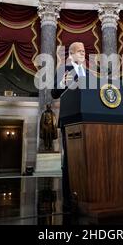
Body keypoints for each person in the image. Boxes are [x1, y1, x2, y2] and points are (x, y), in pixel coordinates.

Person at [51, 42, 87, 210]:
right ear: (71, 54)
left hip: (87, 120)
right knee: (70, 158)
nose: (83, 53)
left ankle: (84, 191)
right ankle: (68, 197)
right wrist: (64, 83)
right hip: (69, 119)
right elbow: (54, 93)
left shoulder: (87, 73)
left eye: (84, 51)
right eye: (80, 51)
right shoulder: (63, 70)